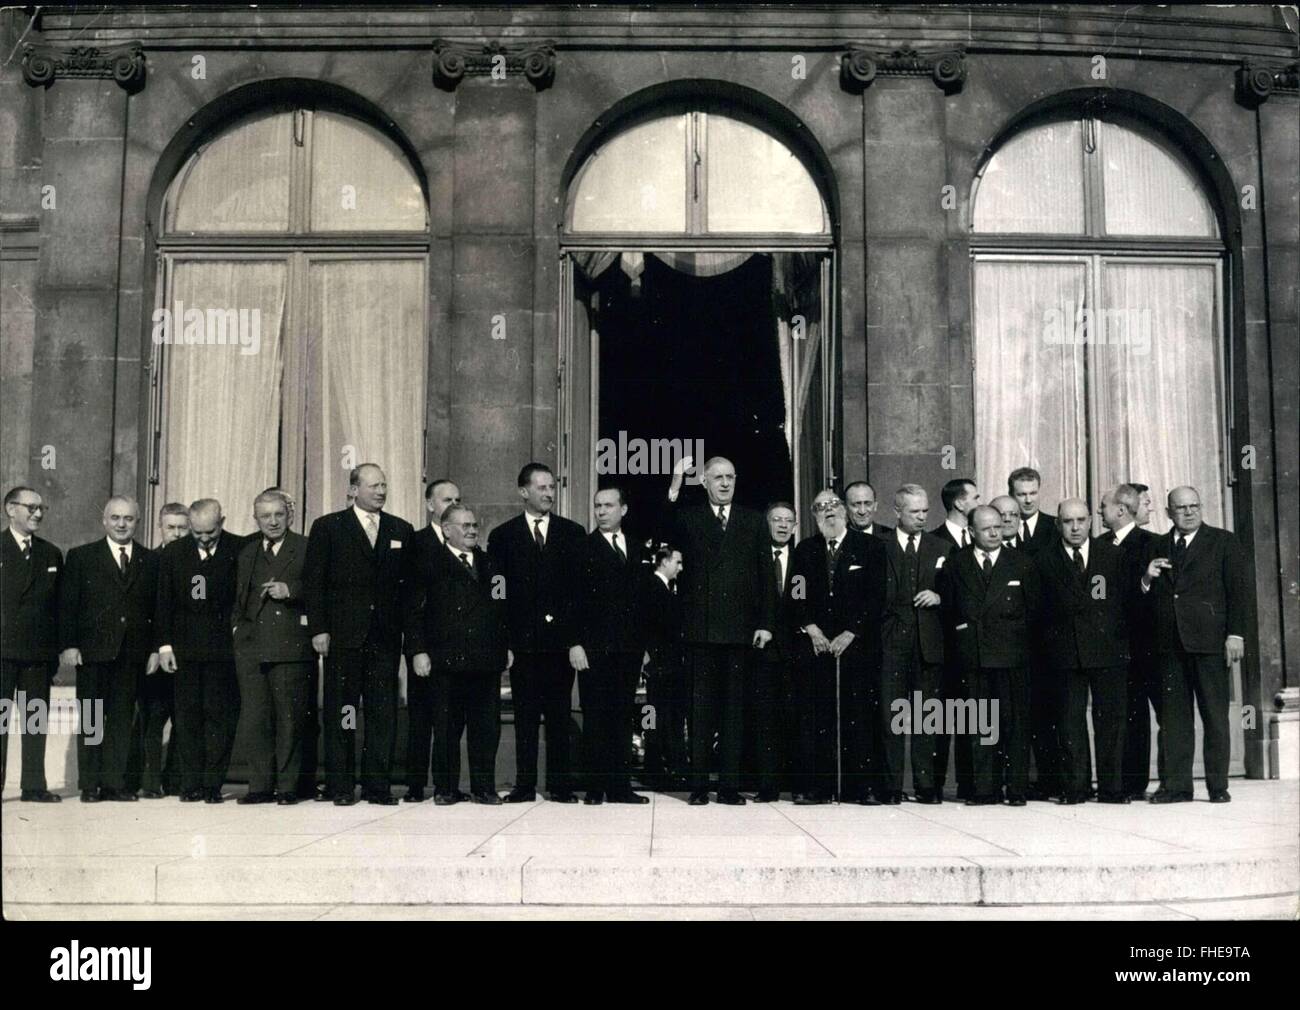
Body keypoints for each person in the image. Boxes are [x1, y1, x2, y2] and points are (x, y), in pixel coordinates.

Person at [303, 464, 416, 805]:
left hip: (383, 639)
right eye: (373, 486)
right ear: (353, 489)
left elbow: (408, 591)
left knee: (382, 714)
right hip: (344, 639)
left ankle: (377, 787)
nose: (381, 491)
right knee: (345, 712)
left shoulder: (401, 529)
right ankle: (341, 786)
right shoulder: (328, 527)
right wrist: (319, 629)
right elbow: (314, 582)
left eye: (384, 485)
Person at [666, 456, 774, 805]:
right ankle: (698, 786)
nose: (725, 483)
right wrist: (675, 486)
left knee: (733, 711)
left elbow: (765, 576)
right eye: (717, 478)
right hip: (701, 630)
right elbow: (664, 528)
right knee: (701, 711)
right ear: (705, 482)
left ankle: (728, 786)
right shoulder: (689, 517)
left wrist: (765, 624)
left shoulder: (753, 521)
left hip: (741, 631)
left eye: (730, 477)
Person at [1141, 486, 1252, 803]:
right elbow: (1147, 598)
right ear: (1168, 513)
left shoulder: (1223, 541)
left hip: (1210, 643)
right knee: (1174, 720)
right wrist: (1146, 579)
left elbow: (1238, 592)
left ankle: (1218, 786)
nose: (1188, 512)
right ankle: (1177, 786)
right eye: (1181, 507)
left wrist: (1235, 634)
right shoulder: (1157, 545)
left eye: (1194, 506)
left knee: (1215, 716)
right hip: (1170, 646)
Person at [487, 463, 586, 804]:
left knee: (559, 717)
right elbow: (497, 593)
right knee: (526, 717)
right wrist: (505, 642)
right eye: (541, 487)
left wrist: (575, 640)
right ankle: (524, 786)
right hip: (523, 646)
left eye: (552, 487)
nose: (548, 493)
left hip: (560, 645)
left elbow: (578, 594)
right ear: (523, 491)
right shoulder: (502, 537)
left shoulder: (573, 533)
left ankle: (560, 786)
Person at [787, 489, 886, 804]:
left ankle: (863, 788)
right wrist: (811, 627)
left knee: (859, 716)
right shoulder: (805, 550)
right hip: (817, 646)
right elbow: (796, 592)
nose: (828, 512)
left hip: (855, 646)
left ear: (844, 511)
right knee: (817, 717)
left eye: (833, 506)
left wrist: (852, 631)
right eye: (820, 508)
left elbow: (876, 595)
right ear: (814, 515)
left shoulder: (869, 547)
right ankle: (819, 787)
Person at [59, 496, 159, 802]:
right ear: (104, 521)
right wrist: (69, 644)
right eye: (115, 518)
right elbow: (67, 605)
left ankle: (114, 784)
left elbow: (158, 607)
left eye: (128, 519)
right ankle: (90, 784)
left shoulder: (150, 560)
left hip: (132, 654)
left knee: (120, 719)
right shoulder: (82, 556)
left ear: (137, 522)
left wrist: (155, 649)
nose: (121, 524)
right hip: (92, 652)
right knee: (92, 717)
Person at [939, 504, 1040, 805]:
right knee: (980, 723)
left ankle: (1016, 789)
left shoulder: (1021, 563)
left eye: (998, 526)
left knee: (1014, 724)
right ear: (971, 532)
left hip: (1013, 657)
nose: (995, 532)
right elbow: (948, 610)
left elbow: (1034, 613)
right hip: (973, 656)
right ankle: (984, 790)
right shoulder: (956, 564)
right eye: (987, 528)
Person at [407, 505, 506, 805]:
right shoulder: (428, 563)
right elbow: (413, 612)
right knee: (447, 728)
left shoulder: (492, 564)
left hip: (485, 660)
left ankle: (484, 788)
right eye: (464, 525)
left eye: (475, 525)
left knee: (486, 728)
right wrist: (418, 651)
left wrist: (505, 646)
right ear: (446, 529)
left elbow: (502, 609)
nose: (472, 530)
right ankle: (446, 788)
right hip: (445, 659)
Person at [1034, 499, 1130, 804]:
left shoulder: (1113, 555)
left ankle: (1112, 788)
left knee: (1110, 720)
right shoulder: (1043, 560)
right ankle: (1075, 788)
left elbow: (1123, 605)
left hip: (1107, 651)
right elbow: (1038, 610)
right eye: (1067, 521)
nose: (1075, 528)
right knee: (1069, 720)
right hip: (1064, 653)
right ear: (1058, 524)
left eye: (1080, 520)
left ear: (1091, 521)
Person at [155, 498, 247, 803]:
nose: (204, 538)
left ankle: (212, 785)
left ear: (222, 522)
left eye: (210, 532)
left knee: (220, 717)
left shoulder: (240, 548)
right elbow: (163, 603)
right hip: (185, 651)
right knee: (187, 718)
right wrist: (165, 646)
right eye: (197, 533)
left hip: (225, 651)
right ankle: (190, 783)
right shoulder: (173, 553)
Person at [231, 490, 314, 804]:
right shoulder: (248, 552)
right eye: (265, 516)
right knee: (256, 720)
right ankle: (260, 786)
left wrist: (290, 589)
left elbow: (322, 589)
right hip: (251, 649)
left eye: (279, 514)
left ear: (289, 515)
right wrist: (237, 628)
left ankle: (288, 787)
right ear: (256, 519)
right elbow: (238, 598)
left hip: (290, 646)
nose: (273, 521)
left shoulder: (305, 548)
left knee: (289, 720)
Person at [569, 487, 649, 804]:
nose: (601, 511)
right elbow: (570, 602)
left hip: (628, 650)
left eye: (608, 505)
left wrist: (643, 647)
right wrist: (574, 643)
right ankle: (595, 787)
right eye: (597, 506)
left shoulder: (636, 547)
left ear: (623, 509)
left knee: (621, 717)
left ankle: (620, 787)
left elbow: (642, 602)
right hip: (593, 649)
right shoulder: (581, 548)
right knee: (596, 717)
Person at [878, 485, 951, 804]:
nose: (922, 517)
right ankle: (892, 786)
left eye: (924, 511)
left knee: (926, 717)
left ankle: (925, 786)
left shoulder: (942, 547)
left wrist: (940, 596)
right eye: (914, 512)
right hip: (891, 644)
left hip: (927, 644)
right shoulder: (878, 547)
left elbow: (959, 592)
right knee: (890, 716)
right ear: (897, 512)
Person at [1, 486, 63, 801]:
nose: (38, 513)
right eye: (31, 507)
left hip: (38, 656)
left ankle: (34, 785)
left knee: (35, 720)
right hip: (2, 654)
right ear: (11, 509)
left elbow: (57, 608)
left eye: (41, 508)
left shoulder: (51, 554)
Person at [404, 478, 464, 803]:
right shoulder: (416, 543)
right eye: (446, 499)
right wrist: (416, 649)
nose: (452, 504)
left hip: (454, 651)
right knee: (420, 718)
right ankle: (415, 786)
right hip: (424, 648)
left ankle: (446, 785)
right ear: (430, 504)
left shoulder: (467, 545)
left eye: (457, 499)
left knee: (449, 719)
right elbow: (410, 603)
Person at [1100, 483, 1160, 800]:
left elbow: (1153, 597)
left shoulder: (1152, 543)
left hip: (1141, 646)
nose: (1099, 512)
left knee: (1137, 714)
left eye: (1103, 507)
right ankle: (1114, 780)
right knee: (1113, 713)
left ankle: (1135, 782)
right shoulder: (1097, 545)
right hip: (1108, 646)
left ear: (1121, 510)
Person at [1008, 466, 1064, 802]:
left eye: (1032, 493)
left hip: (1045, 639)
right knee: (1017, 714)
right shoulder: (1002, 525)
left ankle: (1049, 780)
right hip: (1012, 639)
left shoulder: (1053, 528)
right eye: (1021, 494)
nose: (1027, 500)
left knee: (1048, 713)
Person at [932, 478, 979, 800]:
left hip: (974, 646)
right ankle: (933, 785)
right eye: (976, 497)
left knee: (971, 716)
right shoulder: (934, 540)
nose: (980, 501)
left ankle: (969, 783)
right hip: (941, 643)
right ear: (960, 503)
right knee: (940, 718)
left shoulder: (981, 540)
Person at [752, 502, 798, 801]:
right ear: (766, 524)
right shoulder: (753, 558)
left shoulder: (804, 557)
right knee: (764, 719)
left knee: (794, 718)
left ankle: (795, 782)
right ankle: (767, 786)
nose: (782, 525)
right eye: (776, 520)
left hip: (796, 650)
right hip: (763, 651)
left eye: (788, 521)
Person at [639, 544, 685, 790]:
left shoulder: (667, 588)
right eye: (677, 562)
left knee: (661, 716)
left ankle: (658, 767)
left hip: (666, 664)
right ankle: (654, 768)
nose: (680, 567)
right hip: (659, 664)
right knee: (655, 716)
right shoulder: (652, 587)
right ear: (664, 562)